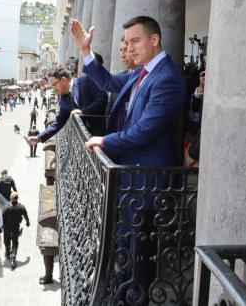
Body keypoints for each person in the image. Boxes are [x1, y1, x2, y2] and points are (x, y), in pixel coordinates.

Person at [70, 16, 186, 304]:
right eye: (126, 42)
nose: (129, 48)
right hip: (131, 178)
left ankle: (135, 297)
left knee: (139, 252)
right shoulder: (141, 73)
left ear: (155, 39)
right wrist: (86, 51)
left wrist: (105, 141)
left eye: (135, 41)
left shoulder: (167, 78)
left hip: (149, 183)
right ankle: (124, 292)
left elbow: (144, 132)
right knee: (127, 245)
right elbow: (108, 81)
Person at [27, 69, 77, 146]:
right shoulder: (63, 98)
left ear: (63, 80)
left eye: (54, 84)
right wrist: (38, 138)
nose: (53, 88)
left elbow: (100, 100)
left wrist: (83, 111)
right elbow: (58, 123)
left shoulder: (83, 82)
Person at [69, 53, 109, 135]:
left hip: (96, 127)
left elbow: (102, 100)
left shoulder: (96, 79)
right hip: (84, 127)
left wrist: (83, 111)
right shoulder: (84, 80)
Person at [106, 37, 138, 116]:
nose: (122, 55)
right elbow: (110, 112)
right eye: (120, 50)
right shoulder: (117, 78)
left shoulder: (147, 77)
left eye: (126, 49)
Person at [1, 192, 29, 270]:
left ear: (10, 198)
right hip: (15, 227)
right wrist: (27, 222)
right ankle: (13, 259)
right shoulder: (21, 207)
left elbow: (2, 218)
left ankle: (7, 253)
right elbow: (26, 215)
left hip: (7, 227)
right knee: (15, 243)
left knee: (7, 240)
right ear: (17, 198)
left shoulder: (6, 207)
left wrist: (0, 228)